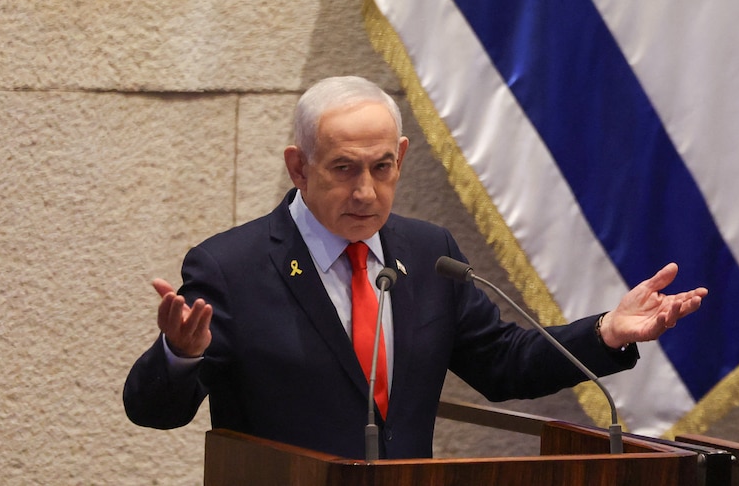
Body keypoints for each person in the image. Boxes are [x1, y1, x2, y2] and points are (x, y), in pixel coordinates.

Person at [123, 75, 707, 459]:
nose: (366, 192)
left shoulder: (430, 254)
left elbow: (503, 364)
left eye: (381, 167)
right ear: (299, 167)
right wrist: (179, 356)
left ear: (400, 158)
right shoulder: (232, 266)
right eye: (344, 169)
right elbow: (152, 411)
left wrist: (606, 331)